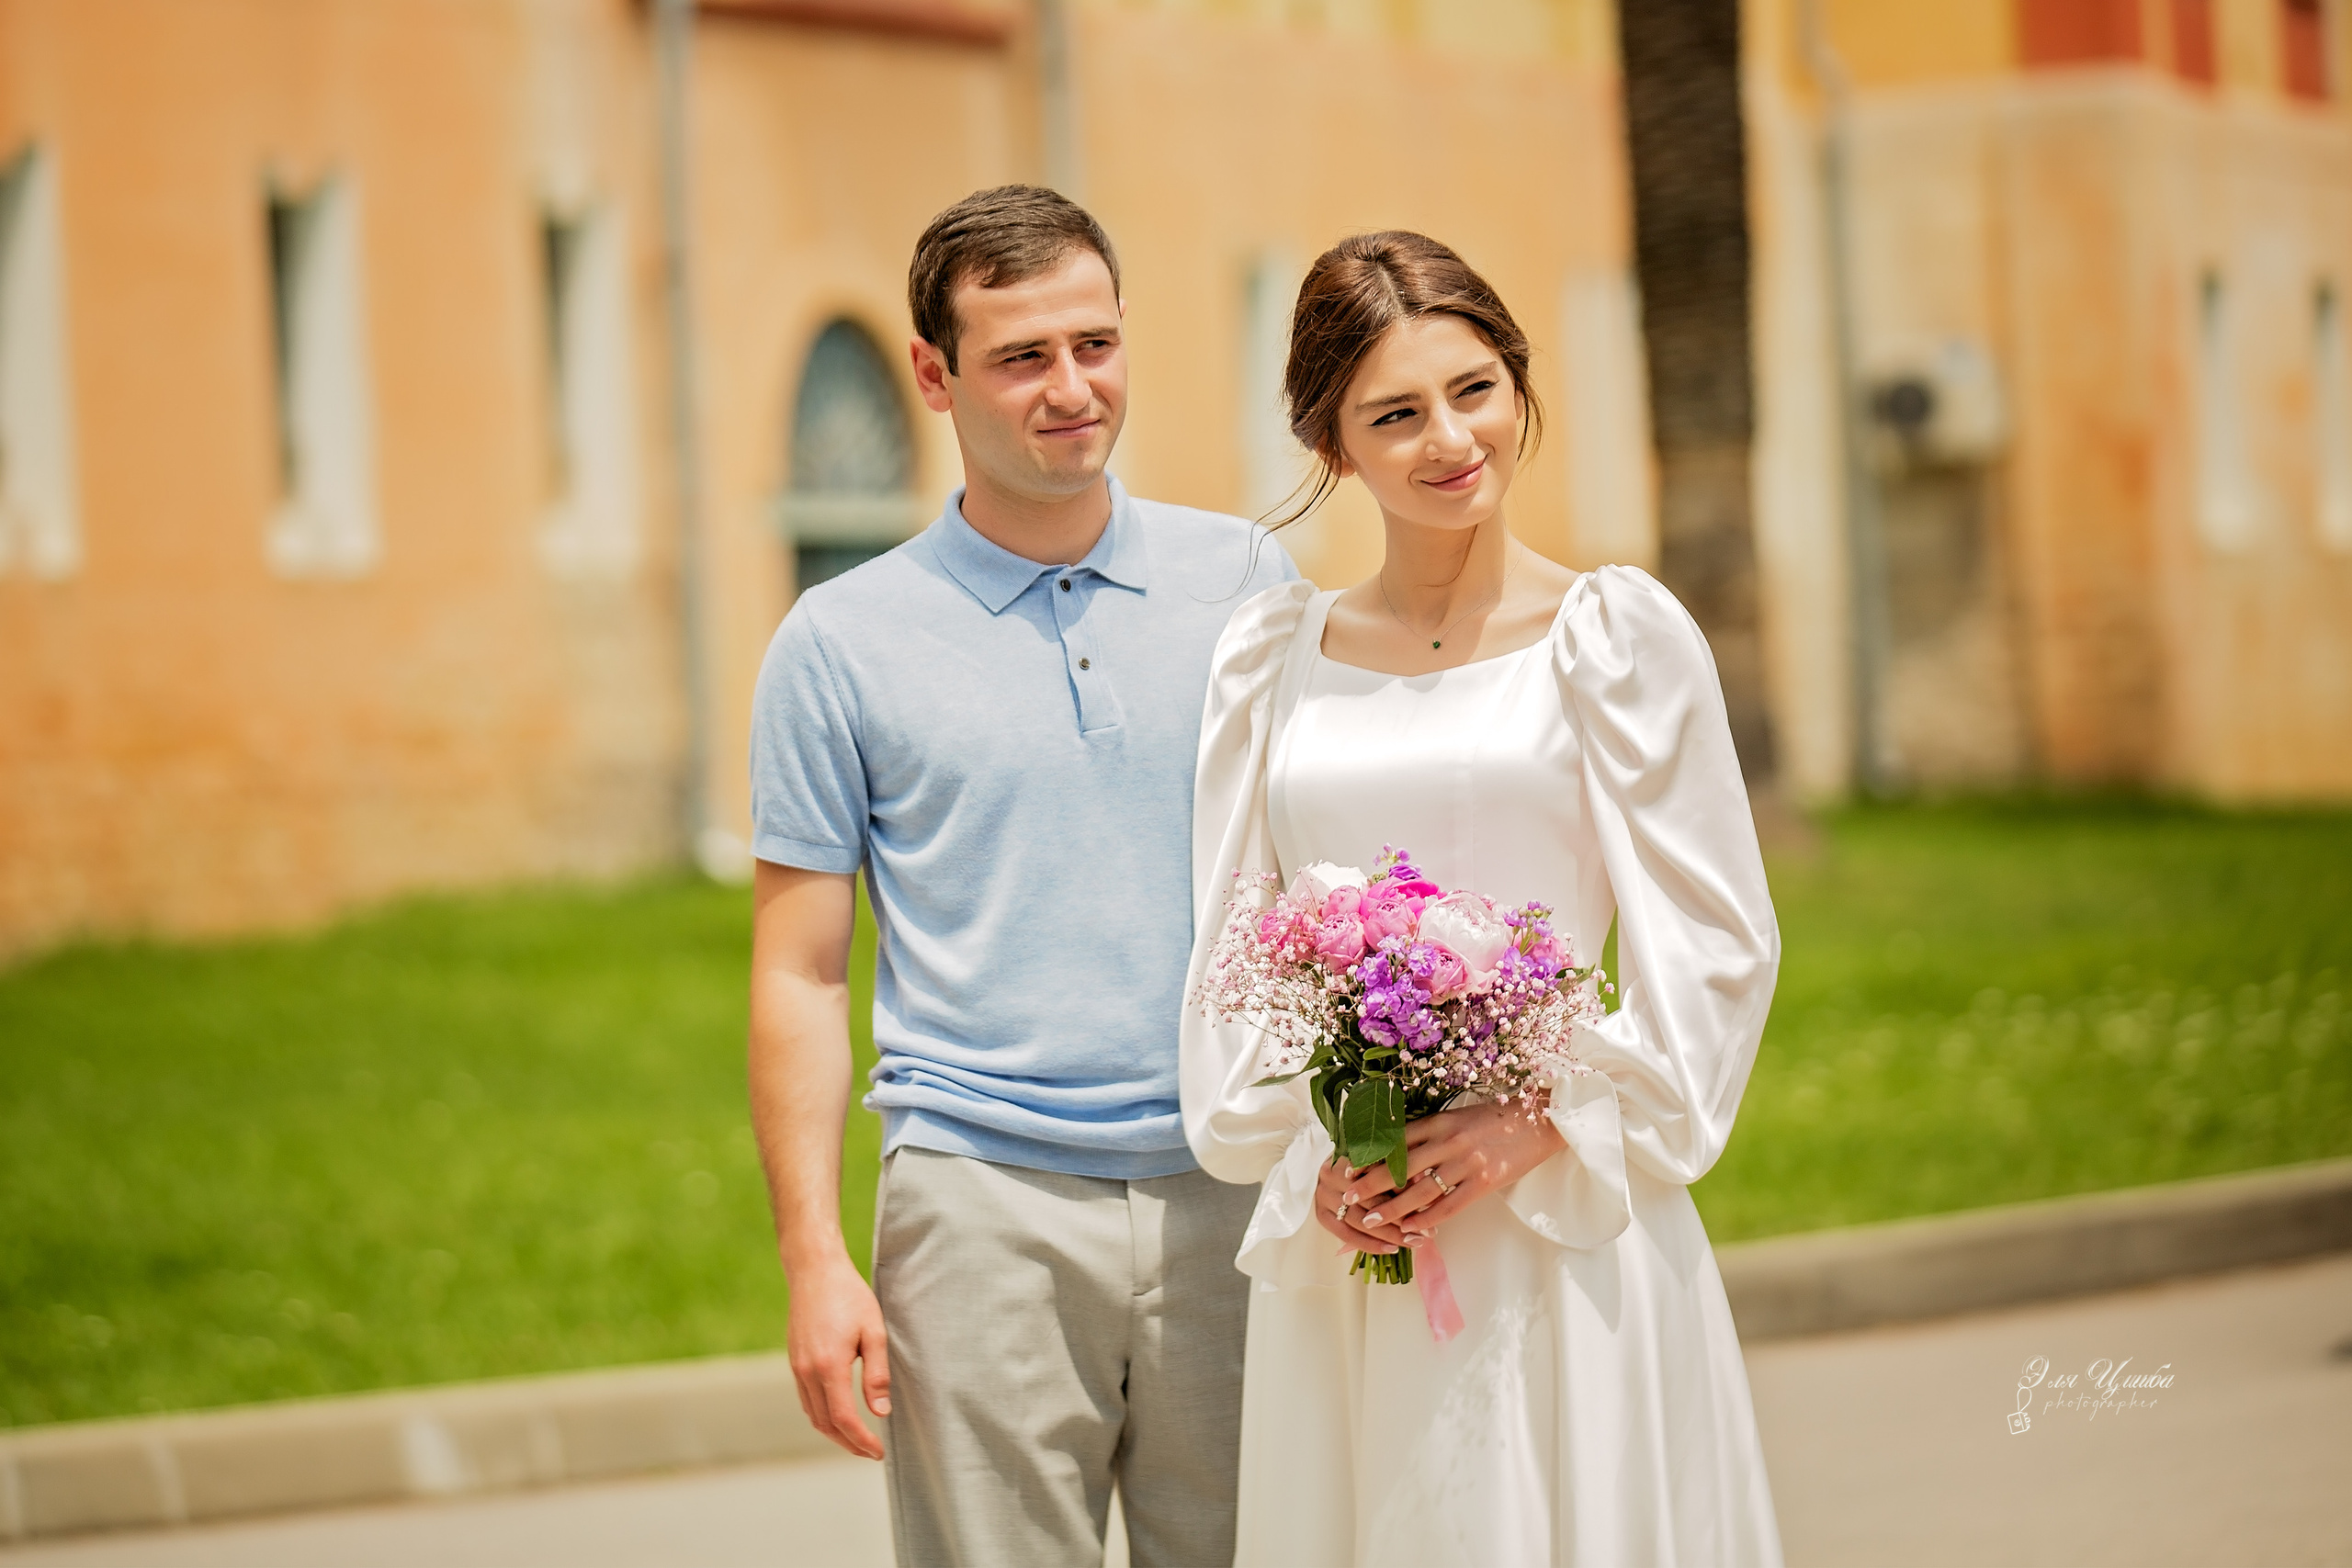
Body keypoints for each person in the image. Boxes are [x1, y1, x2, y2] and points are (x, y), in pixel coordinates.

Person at [1182, 231, 1783, 1566]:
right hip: (1356, 1228)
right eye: (1395, 414)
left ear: (1519, 387)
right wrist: (1312, 1150)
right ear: (1333, 443)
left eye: (1475, 389)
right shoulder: (1271, 662)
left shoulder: (1615, 641)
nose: (1450, 439)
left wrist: (1541, 1120)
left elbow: (1717, 945)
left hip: (1565, 1210)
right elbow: (1234, 934)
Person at [745, 185, 1298, 1568]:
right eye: (1022, 358)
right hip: (977, 1203)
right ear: (932, 376)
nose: (1072, 390)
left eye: (1096, 345)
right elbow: (800, 968)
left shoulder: (1247, 582)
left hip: (1239, 1185)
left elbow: (1321, 877)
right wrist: (816, 1258)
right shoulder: (838, 643)